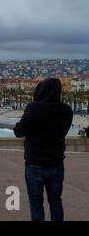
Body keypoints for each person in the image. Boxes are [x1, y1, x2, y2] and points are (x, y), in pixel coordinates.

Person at [14, 78, 72, 221]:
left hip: (35, 163)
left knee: (36, 203)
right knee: (56, 202)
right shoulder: (66, 110)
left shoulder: (34, 108)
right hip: (57, 163)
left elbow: (18, 131)